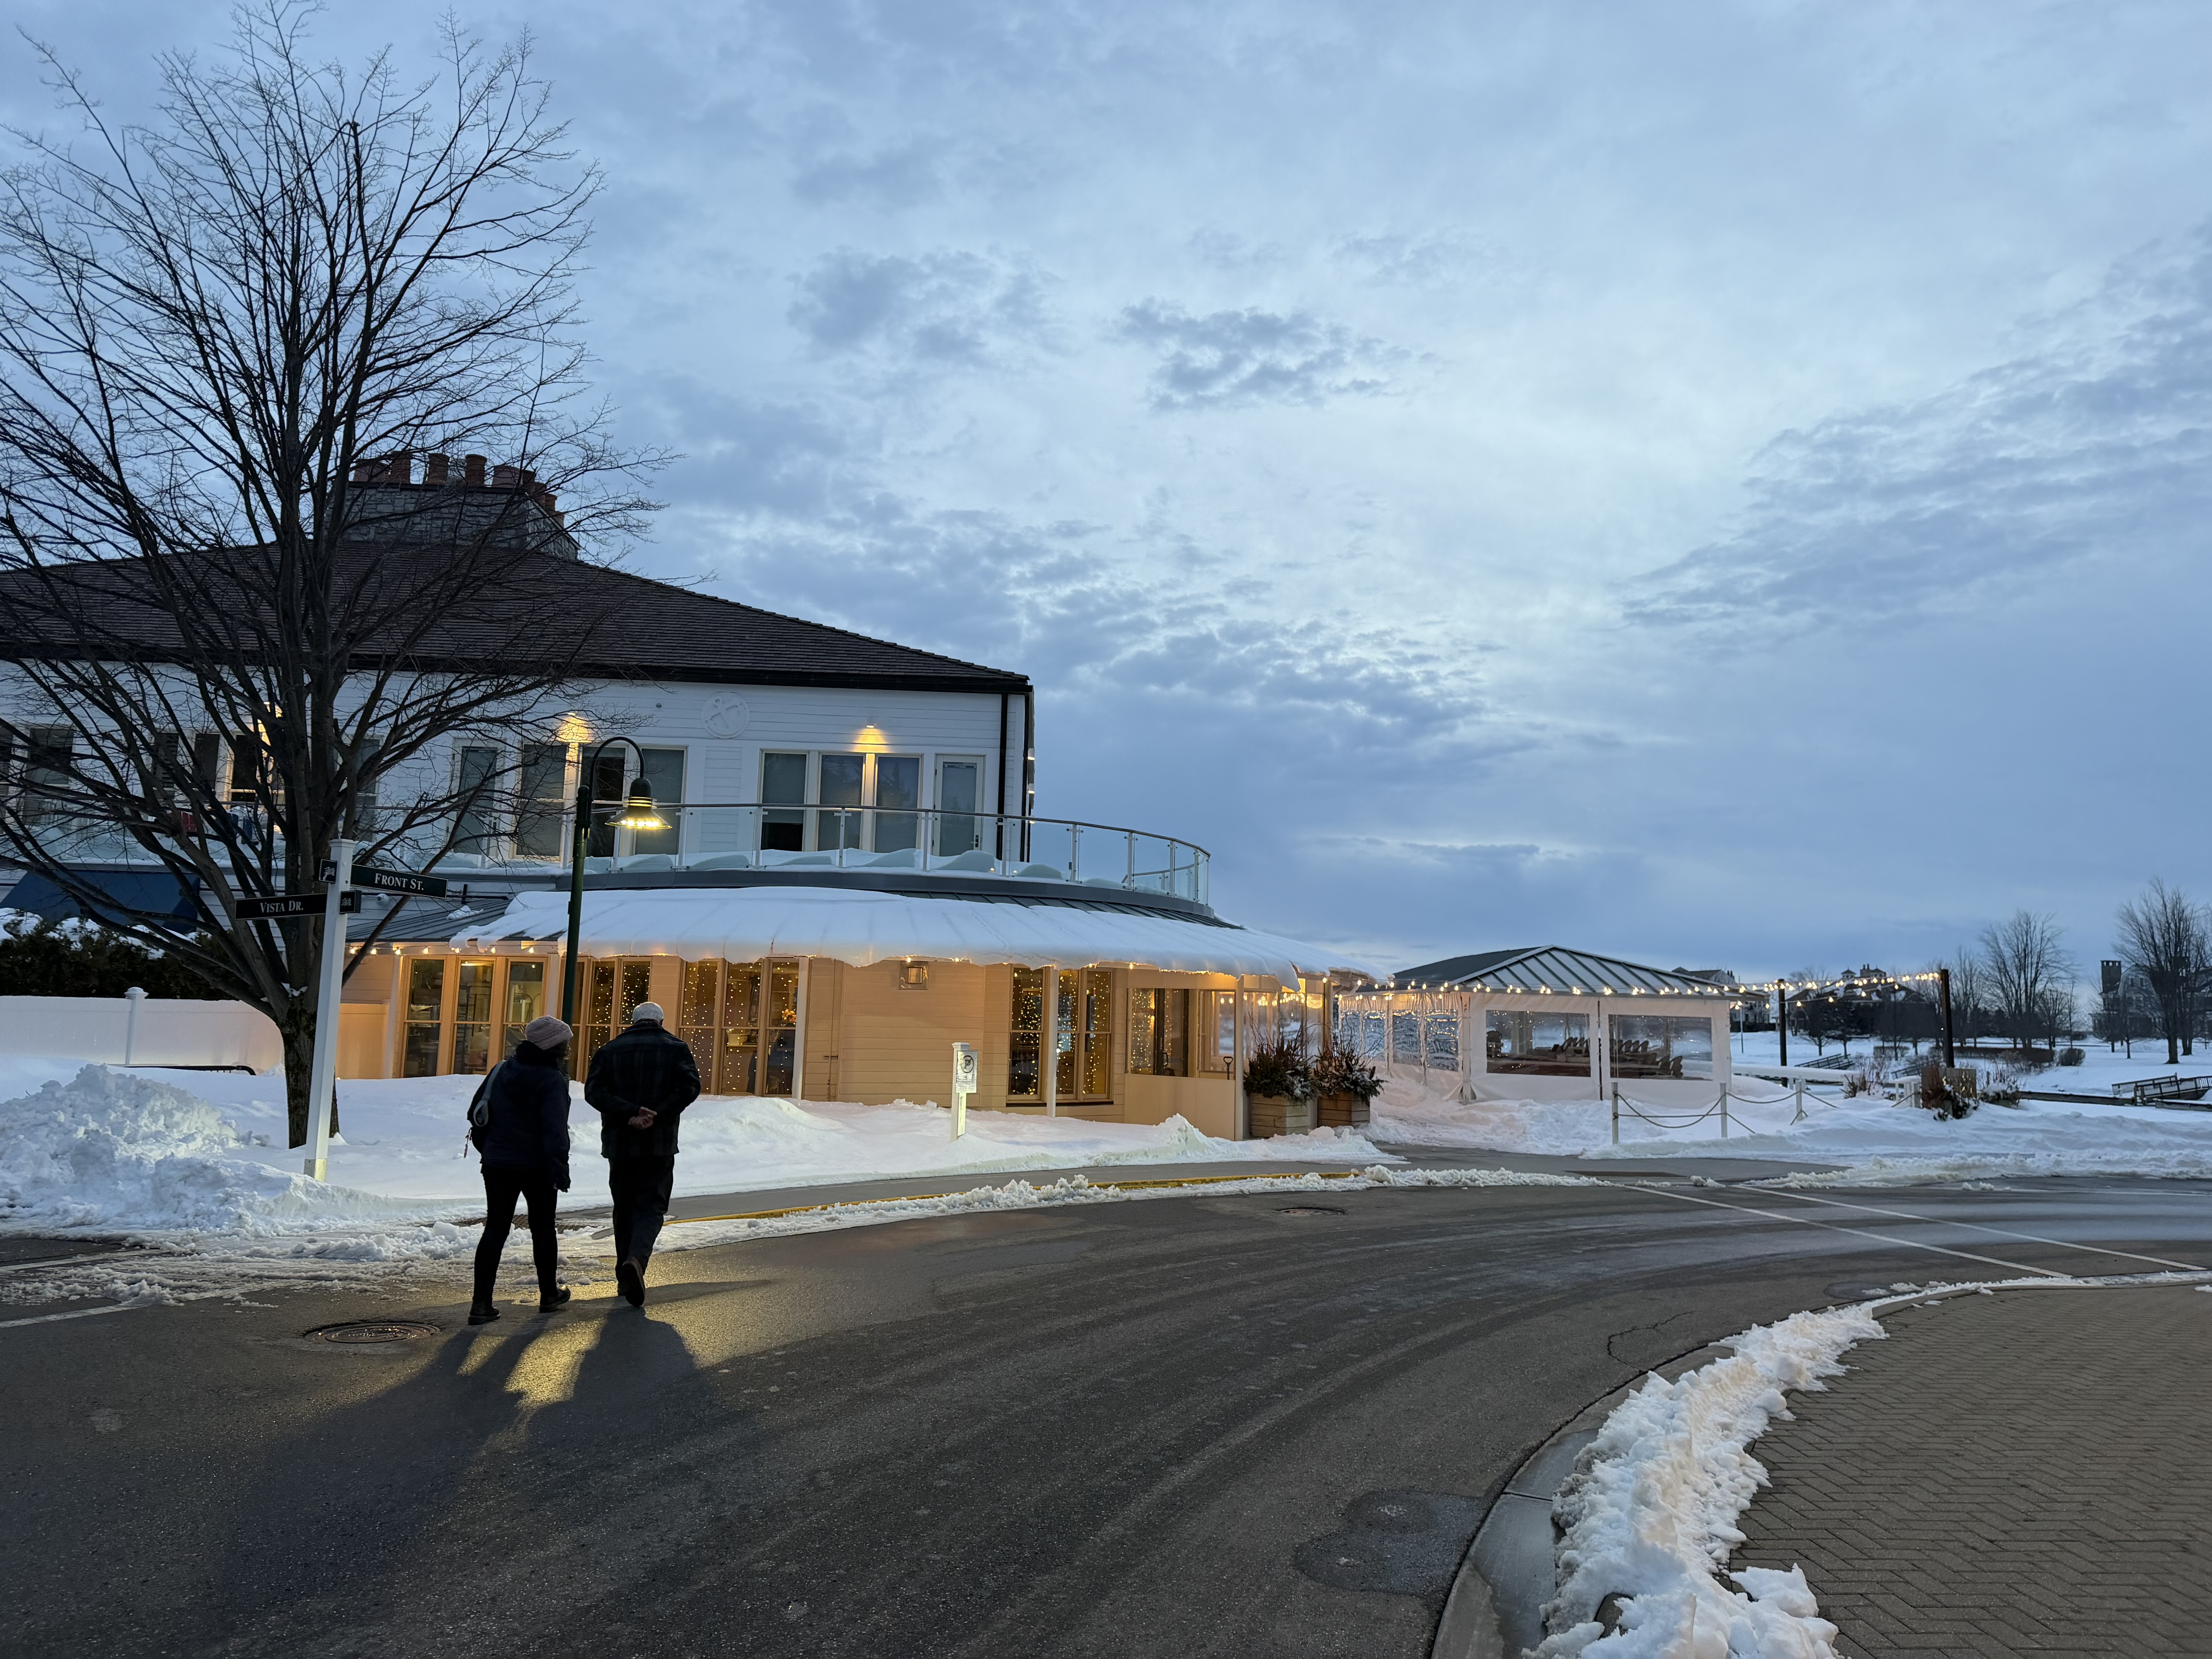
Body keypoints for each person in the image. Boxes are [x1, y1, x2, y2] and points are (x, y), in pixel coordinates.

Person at [584, 1000, 701, 1307]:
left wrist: (631, 1113)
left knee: (624, 1208)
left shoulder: (609, 1050)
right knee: (651, 1207)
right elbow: (690, 1087)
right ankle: (635, 1260)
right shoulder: (676, 1048)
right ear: (660, 1022)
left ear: (633, 1022)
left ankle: (624, 1275)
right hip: (659, 1143)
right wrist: (656, 1115)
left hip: (620, 1144)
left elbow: (594, 1093)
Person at [467, 1014, 575, 1325]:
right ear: (552, 1046)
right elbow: (555, 1130)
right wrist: (560, 1169)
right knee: (543, 1229)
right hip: (537, 1167)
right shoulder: (552, 1080)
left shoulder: (501, 1070)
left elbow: (476, 1113)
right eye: (565, 1044)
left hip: (497, 1164)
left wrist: (492, 1150)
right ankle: (549, 1294)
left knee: (495, 1228)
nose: (568, 1049)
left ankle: (481, 1304)